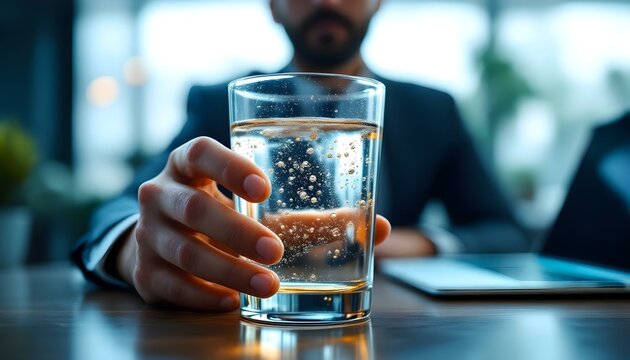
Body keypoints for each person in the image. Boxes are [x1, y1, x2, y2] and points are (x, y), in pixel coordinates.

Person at [72, 0, 527, 311]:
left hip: (391, 324)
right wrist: (138, 246)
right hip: (254, 314)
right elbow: (123, 208)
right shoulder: (226, 106)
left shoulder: (433, 110)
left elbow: (506, 231)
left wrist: (401, 245)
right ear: (272, 6)